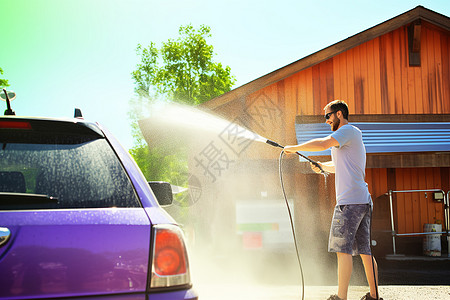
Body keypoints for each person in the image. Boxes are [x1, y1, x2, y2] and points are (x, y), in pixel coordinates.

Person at [284, 100, 382, 300]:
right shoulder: (350, 137)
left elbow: (322, 143)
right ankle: (374, 296)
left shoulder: (347, 131)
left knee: (342, 250)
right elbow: (339, 166)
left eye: (327, 116)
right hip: (361, 201)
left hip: (349, 204)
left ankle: (341, 297)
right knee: (364, 250)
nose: (326, 120)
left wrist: (294, 148)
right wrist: (322, 167)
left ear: (339, 114)